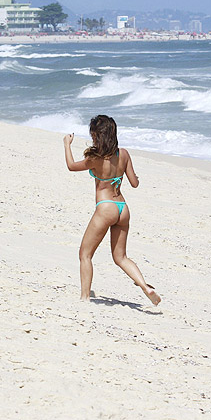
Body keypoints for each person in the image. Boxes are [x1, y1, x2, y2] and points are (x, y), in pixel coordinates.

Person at [63, 115, 161, 305]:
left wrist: (67, 144)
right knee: (121, 257)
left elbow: (71, 166)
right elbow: (134, 183)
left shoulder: (95, 158)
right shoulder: (123, 154)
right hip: (122, 208)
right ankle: (145, 287)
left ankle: (84, 298)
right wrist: (135, 177)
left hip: (105, 207)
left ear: (96, 135)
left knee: (85, 254)